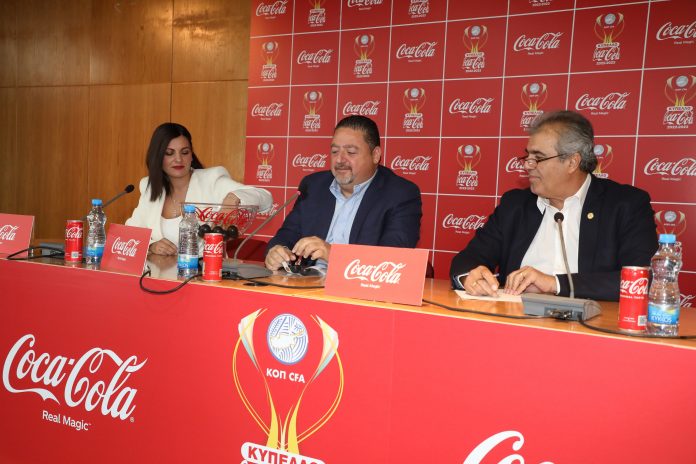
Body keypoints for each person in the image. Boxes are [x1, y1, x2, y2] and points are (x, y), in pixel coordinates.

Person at [449, 110, 658, 301]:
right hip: (515, 320)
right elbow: (468, 259)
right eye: (527, 156)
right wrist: (470, 277)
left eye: (538, 158)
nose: (527, 165)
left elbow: (641, 280)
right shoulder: (515, 205)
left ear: (572, 162)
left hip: (591, 323)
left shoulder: (625, 205)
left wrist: (554, 284)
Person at [264, 115, 422, 271]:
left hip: (358, 284)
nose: (339, 160)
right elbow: (287, 235)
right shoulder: (313, 185)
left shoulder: (401, 194)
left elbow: (392, 260)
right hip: (306, 281)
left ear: (375, 155)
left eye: (351, 152)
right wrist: (277, 252)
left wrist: (333, 255)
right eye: (334, 151)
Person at [126, 122, 272, 255]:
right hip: (160, 272)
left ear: (191, 155)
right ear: (157, 157)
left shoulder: (211, 180)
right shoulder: (149, 187)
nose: (178, 159)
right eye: (169, 153)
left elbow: (265, 197)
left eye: (185, 152)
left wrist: (233, 198)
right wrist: (151, 245)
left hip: (205, 270)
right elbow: (129, 234)